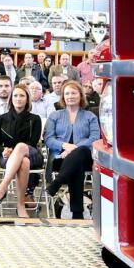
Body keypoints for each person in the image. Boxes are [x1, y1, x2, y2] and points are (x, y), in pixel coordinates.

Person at [44, 80, 100, 219]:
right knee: (77, 166)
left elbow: (94, 138)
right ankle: (77, 213)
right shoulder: (55, 116)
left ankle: (57, 183)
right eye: (67, 93)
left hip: (86, 155)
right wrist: (64, 146)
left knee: (80, 153)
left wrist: (74, 148)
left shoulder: (90, 116)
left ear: (80, 95)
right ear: (63, 96)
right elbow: (49, 139)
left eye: (73, 93)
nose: (70, 96)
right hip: (60, 158)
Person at [0, 83, 43, 218]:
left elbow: (32, 143)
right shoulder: (2, 119)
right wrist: (3, 150)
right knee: (23, 162)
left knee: (21, 148)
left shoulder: (35, 119)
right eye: (15, 95)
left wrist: (14, 150)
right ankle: (20, 206)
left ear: (27, 99)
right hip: (8, 157)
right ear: (11, 98)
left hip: (32, 154)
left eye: (22, 95)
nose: (18, 98)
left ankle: (3, 187)